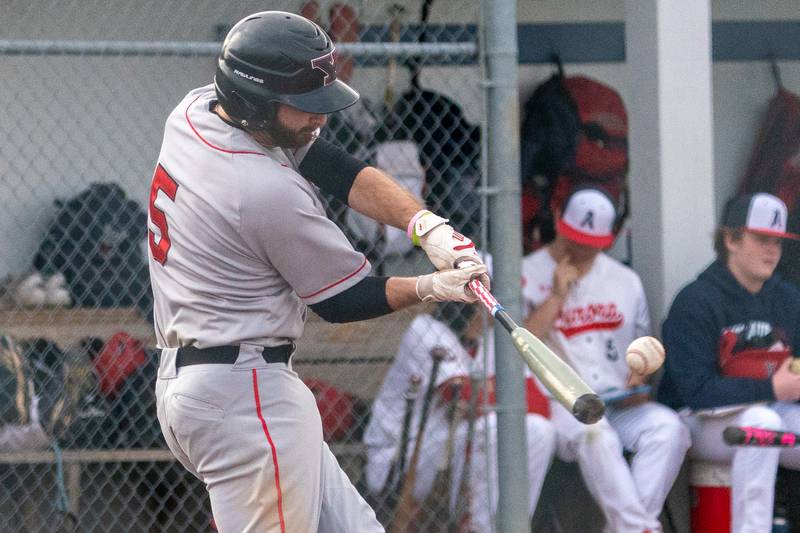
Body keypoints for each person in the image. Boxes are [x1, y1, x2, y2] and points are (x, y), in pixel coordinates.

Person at [147, 11, 489, 533]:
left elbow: (329, 162)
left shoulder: (195, 112)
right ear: (255, 103)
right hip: (245, 396)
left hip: (209, 381)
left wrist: (426, 226)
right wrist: (430, 286)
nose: (319, 118)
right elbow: (342, 299)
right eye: (303, 106)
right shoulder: (263, 191)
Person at [521, 187, 690, 533]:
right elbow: (517, 345)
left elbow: (641, 354)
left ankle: (628, 526)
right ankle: (638, 527)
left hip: (616, 401)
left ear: (608, 239)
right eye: (575, 238)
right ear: (557, 220)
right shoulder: (523, 273)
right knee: (596, 432)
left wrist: (639, 382)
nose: (581, 249)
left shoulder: (625, 281)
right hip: (560, 405)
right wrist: (557, 297)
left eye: (591, 242)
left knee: (670, 429)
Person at [657, 192, 800, 533]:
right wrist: (771, 387)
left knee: (765, 420)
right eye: (762, 239)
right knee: (760, 425)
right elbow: (694, 391)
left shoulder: (787, 298)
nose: (772, 251)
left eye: (778, 242)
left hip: (771, 407)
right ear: (731, 239)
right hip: (698, 420)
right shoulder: (696, 300)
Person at [363, 300, 556, 532]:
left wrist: (490, 390)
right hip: (400, 456)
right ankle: (478, 527)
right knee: (492, 425)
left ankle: (503, 527)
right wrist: (500, 389)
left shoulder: (491, 339)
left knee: (540, 431)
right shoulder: (425, 329)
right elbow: (463, 395)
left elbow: (539, 404)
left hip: (452, 445)